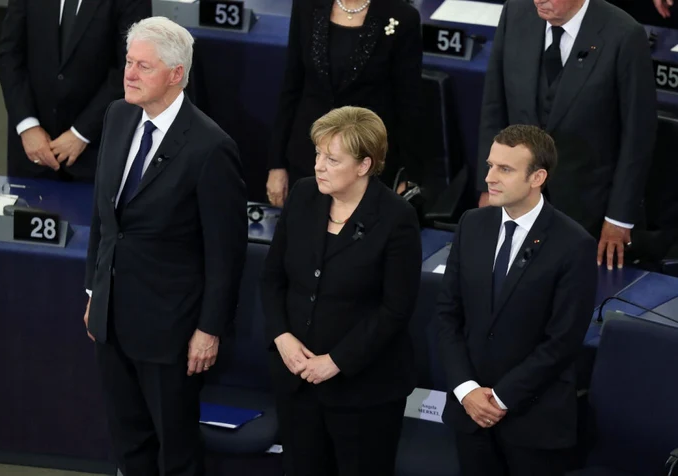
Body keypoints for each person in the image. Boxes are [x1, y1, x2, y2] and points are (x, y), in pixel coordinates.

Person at [83, 17, 247, 476]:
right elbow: (104, 216)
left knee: (175, 452)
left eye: (143, 66)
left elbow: (225, 253)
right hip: (112, 319)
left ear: (176, 74)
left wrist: (209, 329)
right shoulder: (117, 115)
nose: (129, 74)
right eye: (129, 63)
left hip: (170, 331)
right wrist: (94, 293)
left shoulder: (211, 148)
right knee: (128, 443)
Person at [261, 106, 422, 476]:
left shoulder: (397, 218)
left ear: (364, 166)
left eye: (332, 159)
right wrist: (282, 337)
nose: (318, 165)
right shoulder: (303, 195)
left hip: (365, 391)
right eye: (318, 154)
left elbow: (395, 309)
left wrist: (335, 361)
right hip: (297, 381)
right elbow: (271, 278)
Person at [436, 125, 598, 476]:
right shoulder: (471, 223)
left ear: (537, 177)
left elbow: (562, 341)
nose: (490, 177)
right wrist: (467, 391)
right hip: (470, 414)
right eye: (491, 165)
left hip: (533, 422)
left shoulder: (574, 245)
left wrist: (501, 398)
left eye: (505, 169)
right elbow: (448, 315)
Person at [476, 0, 657, 270]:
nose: (539, 0)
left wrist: (619, 218)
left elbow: (637, 135)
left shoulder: (624, 35)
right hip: (517, 200)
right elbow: (494, 107)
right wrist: (489, 185)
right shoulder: (516, 12)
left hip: (587, 213)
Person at [266, 0, 423, 207]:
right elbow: (291, 88)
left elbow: (409, 104)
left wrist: (408, 176)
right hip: (308, 161)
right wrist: (276, 164)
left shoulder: (401, 16)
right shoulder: (307, 6)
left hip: (365, 166)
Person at [0, 0, 151, 181]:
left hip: (95, 151)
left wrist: (81, 133)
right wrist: (27, 126)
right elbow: (9, 56)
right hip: (33, 148)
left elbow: (130, 69)